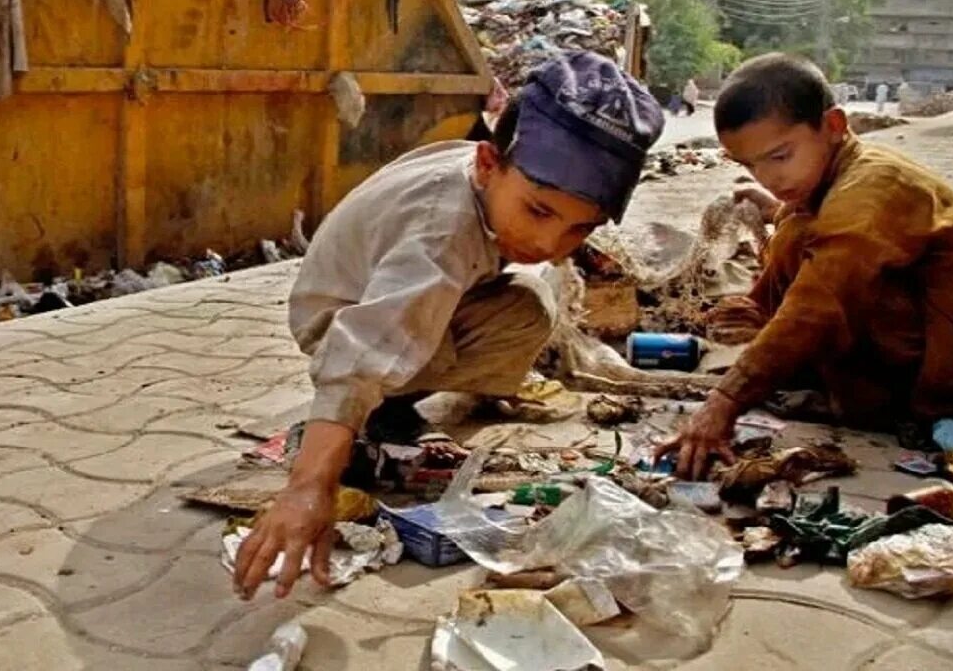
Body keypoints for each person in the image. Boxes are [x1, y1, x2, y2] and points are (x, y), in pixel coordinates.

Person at [234, 52, 665, 600]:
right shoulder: (443, 234)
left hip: (390, 293)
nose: (550, 245)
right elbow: (361, 350)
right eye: (538, 212)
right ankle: (383, 407)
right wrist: (309, 487)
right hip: (342, 321)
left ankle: (414, 388)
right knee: (488, 319)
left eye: (578, 229)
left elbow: (544, 225)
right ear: (489, 164)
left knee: (529, 306)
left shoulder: (486, 172)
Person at [658, 54, 953, 481]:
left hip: (919, 373)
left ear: (833, 126)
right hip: (879, 336)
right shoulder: (834, 176)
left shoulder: (874, 188)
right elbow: (818, 224)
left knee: (809, 267)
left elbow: (816, 305)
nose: (767, 177)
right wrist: (777, 211)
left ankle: (879, 404)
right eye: (750, 165)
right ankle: (812, 377)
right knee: (795, 228)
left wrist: (724, 401)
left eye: (779, 156)